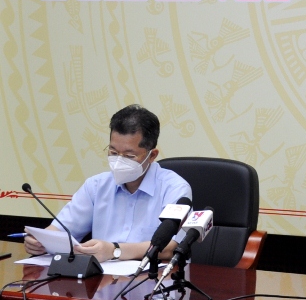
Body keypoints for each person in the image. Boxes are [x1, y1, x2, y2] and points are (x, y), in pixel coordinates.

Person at [24, 104, 192, 263]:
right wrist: (40, 241)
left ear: (152, 155)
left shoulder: (174, 188)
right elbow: (60, 230)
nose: (118, 161)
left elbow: (172, 247)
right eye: (113, 152)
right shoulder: (96, 186)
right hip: (102, 282)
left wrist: (114, 251)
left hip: (155, 281)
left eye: (129, 156)